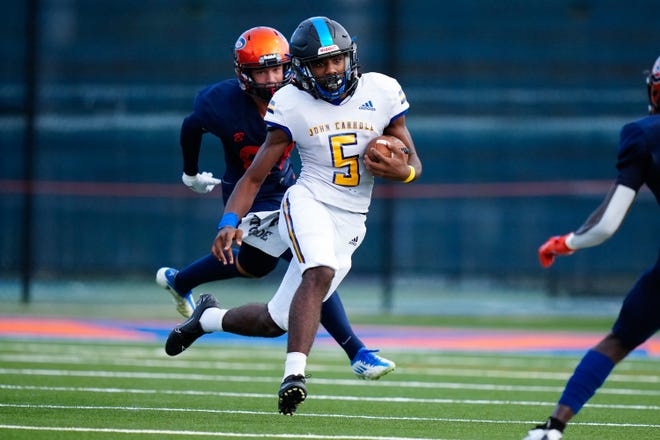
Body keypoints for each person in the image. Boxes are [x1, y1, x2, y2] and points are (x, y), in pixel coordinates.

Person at [165, 16, 422, 415]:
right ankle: (296, 374)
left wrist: (403, 171)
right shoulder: (292, 102)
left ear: (350, 56)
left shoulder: (383, 90)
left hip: (352, 218)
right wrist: (228, 221)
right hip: (306, 199)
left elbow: (414, 161)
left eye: (337, 60)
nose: (331, 70)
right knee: (315, 271)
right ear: (303, 68)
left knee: (275, 321)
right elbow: (253, 176)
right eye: (320, 64)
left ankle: (205, 319)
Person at [523, 55, 660, 440]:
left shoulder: (645, 133)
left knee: (618, 340)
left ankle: (553, 428)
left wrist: (566, 242)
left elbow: (608, 224)